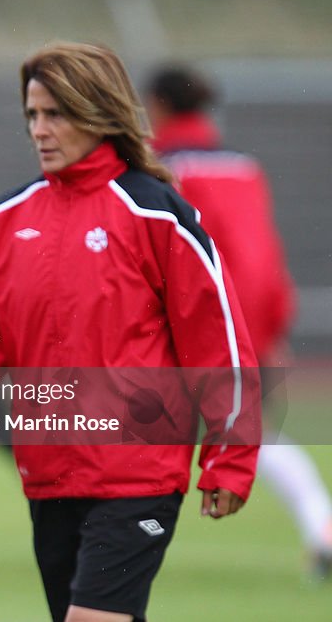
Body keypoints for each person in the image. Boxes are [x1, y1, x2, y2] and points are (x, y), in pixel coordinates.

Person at [0, 42, 261, 622]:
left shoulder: (158, 214)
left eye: (56, 114)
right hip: (47, 475)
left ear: (98, 113)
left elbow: (215, 340)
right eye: (32, 116)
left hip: (139, 473)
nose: (40, 130)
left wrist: (230, 454)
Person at [146, 63, 332, 581]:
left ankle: (114, 548)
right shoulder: (245, 168)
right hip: (249, 322)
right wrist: (272, 327)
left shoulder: (158, 171)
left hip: (192, 327)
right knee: (257, 431)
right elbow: (264, 252)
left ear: (157, 106)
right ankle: (323, 523)